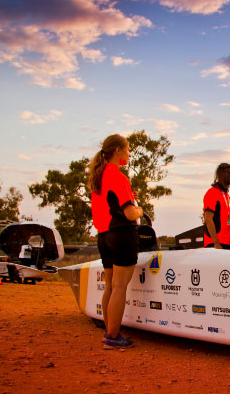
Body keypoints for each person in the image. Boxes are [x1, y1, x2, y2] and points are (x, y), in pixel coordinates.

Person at [89, 134, 143, 349]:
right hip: (122, 235)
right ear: (117, 151)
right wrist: (140, 209)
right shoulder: (118, 176)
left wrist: (130, 195)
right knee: (120, 287)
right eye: (128, 149)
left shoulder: (99, 176)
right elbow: (130, 213)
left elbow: (111, 202)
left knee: (110, 286)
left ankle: (109, 330)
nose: (130, 154)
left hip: (104, 236)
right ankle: (113, 336)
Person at [203, 163, 230, 249]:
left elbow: (223, 218)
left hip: (226, 243)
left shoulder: (227, 196)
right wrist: (216, 243)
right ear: (220, 174)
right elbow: (208, 219)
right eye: (229, 173)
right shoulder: (212, 193)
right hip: (215, 244)